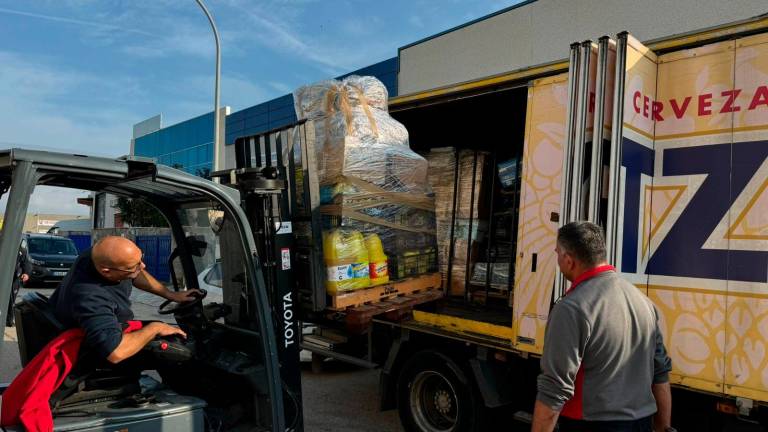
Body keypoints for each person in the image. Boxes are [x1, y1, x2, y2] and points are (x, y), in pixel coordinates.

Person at [532, 221, 674, 432]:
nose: (558, 261)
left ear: (569, 260)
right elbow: (660, 374)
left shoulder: (571, 308)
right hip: (641, 423)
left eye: (558, 254)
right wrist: (663, 427)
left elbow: (554, 389)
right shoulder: (643, 302)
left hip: (594, 424)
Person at [49, 236, 199, 364]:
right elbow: (116, 353)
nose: (143, 266)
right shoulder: (91, 297)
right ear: (106, 271)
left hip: (111, 327)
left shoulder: (101, 255)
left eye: (141, 259)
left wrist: (171, 294)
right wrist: (155, 328)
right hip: (90, 352)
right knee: (174, 345)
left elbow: (136, 273)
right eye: (135, 266)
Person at [5, 249, 29, 327]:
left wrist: (26, 273)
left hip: (15, 279)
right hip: (4, 277)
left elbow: (26, 263)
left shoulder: (20, 249)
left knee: (11, 300)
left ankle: (9, 321)